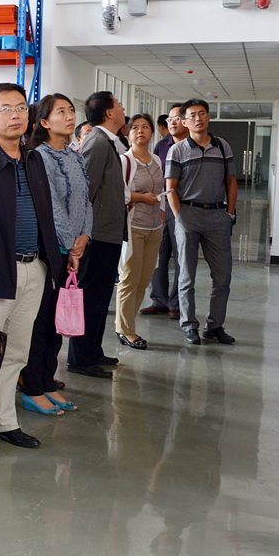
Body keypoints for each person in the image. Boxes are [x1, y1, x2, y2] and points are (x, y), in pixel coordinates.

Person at [0, 83, 63, 455]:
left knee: (17, 353)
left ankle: (5, 422)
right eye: (5, 109)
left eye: (21, 107)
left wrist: (53, 264)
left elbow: (46, 216)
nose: (15, 115)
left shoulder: (34, 159)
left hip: (33, 268)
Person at [18, 94, 91, 414]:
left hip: (74, 249)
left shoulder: (75, 155)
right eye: (61, 112)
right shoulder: (39, 157)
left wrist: (85, 236)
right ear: (44, 122)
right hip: (50, 252)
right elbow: (50, 207)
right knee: (41, 322)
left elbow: (86, 200)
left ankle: (48, 383)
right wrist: (70, 245)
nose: (70, 116)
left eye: (71, 110)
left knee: (59, 322)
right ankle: (32, 388)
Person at [166, 98, 237, 346]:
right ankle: (189, 325)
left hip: (218, 216)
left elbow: (231, 181)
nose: (198, 118)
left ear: (208, 117)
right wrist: (180, 217)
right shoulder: (177, 150)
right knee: (187, 275)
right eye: (193, 115)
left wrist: (229, 213)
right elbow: (170, 188)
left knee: (223, 276)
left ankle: (214, 326)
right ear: (185, 122)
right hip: (189, 215)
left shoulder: (222, 146)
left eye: (202, 113)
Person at [66, 90, 126, 379]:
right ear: (109, 112)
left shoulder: (108, 141)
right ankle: (81, 358)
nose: (123, 108)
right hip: (96, 235)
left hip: (108, 233)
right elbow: (83, 190)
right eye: (119, 104)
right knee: (90, 299)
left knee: (101, 298)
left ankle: (93, 350)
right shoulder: (98, 141)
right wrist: (81, 233)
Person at [115, 114, 165, 350]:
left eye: (145, 127)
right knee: (129, 279)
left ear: (152, 132)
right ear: (128, 133)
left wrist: (161, 213)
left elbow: (162, 188)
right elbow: (118, 192)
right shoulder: (124, 161)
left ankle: (126, 324)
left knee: (144, 281)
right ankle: (126, 330)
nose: (140, 131)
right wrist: (142, 198)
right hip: (133, 226)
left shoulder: (156, 159)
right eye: (135, 127)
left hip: (155, 227)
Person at [143, 104, 186, 318]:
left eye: (177, 118)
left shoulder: (193, 145)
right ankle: (158, 300)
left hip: (184, 207)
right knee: (158, 255)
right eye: (169, 119)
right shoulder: (162, 145)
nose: (172, 122)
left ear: (185, 120)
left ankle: (176, 303)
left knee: (181, 257)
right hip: (161, 207)